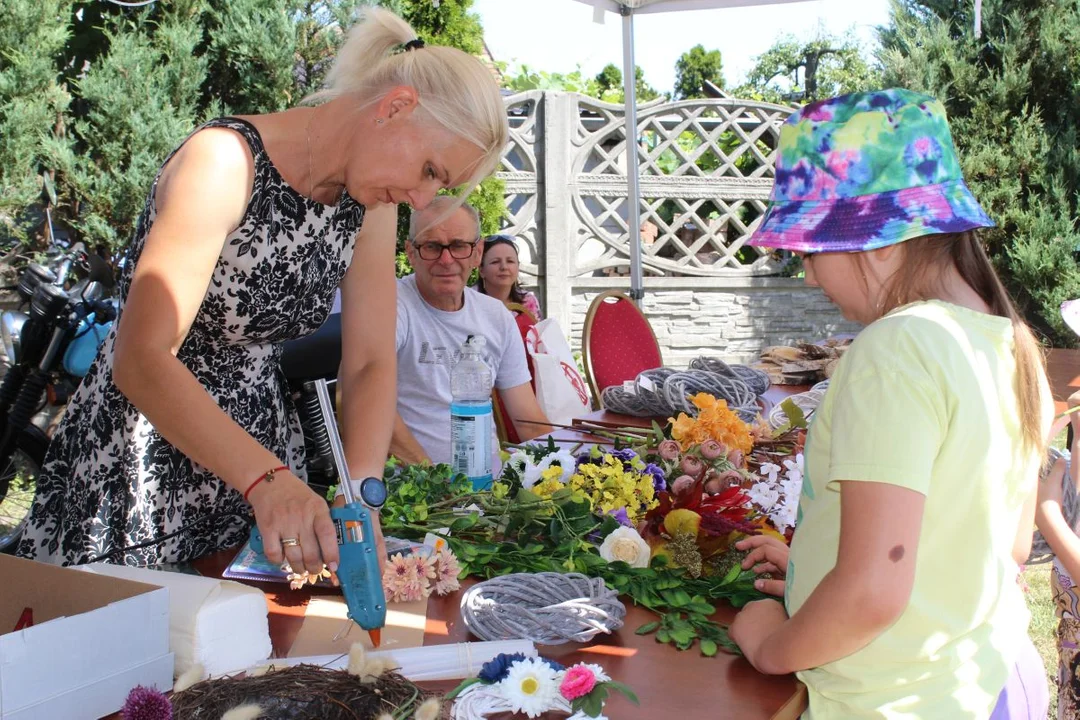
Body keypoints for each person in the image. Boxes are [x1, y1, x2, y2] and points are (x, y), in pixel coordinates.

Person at [16, 8, 508, 573]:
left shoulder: (371, 204)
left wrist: (360, 491)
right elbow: (141, 356)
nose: (423, 200)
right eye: (429, 169)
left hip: (264, 476)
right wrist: (267, 479)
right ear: (396, 107)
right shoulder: (224, 161)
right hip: (141, 464)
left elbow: (370, 361)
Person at [728, 89, 1052, 718]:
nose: (808, 277)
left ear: (878, 241)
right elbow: (998, 548)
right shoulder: (1011, 343)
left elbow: (874, 594)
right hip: (991, 680)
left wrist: (772, 645)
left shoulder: (897, 347)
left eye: (808, 251)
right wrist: (822, 569)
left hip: (895, 701)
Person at [391, 196, 549, 466]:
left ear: (477, 253)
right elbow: (364, 405)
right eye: (431, 246)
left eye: (458, 246)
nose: (446, 259)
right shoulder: (392, 305)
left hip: (489, 487)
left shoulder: (496, 315)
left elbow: (528, 421)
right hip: (417, 494)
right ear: (410, 252)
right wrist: (436, 484)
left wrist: (571, 467)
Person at [475, 234, 542, 321]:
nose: (504, 267)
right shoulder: (466, 302)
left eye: (510, 261)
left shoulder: (528, 301)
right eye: (495, 262)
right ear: (481, 270)